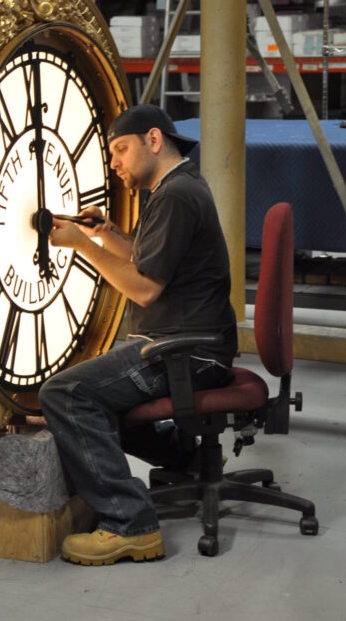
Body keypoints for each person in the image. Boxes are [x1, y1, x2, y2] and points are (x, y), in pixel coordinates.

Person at [38, 103, 237, 566]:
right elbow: (148, 263)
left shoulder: (174, 197)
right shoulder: (176, 187)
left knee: (66, 395)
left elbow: (144, 288)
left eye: (120, 150)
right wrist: (108, 234)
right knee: (95, 391)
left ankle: (131, 524)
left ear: (153, 140)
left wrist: (83, 247)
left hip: (187, 351)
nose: (115, 163)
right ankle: (183, 458)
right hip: (196, 344)